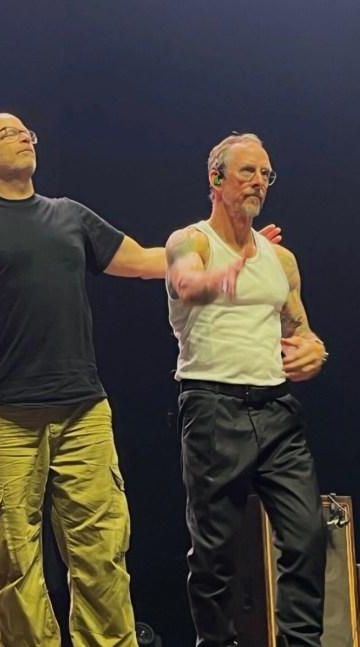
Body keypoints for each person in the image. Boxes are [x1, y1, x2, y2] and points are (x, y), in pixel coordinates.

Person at [0, 113, 283, 646]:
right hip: (2, 413)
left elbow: (147, 261)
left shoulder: (68, 215)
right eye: (8, 133)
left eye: (27, 133)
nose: (23, 137)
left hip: (82, 410)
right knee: (13, 559)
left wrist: (230, 248)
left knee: (102, 551)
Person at [166, 133, 327, 647]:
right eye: (247, 172)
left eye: (266, 174)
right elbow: (187, 285)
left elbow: (301, 328)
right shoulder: (190, 241)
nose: (259, 182)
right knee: (214, 554)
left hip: (276, 409)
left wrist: (314, 350)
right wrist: (221, 275)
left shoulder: (280, 259)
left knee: (307, 536)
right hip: (213, 406)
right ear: (216, 179)